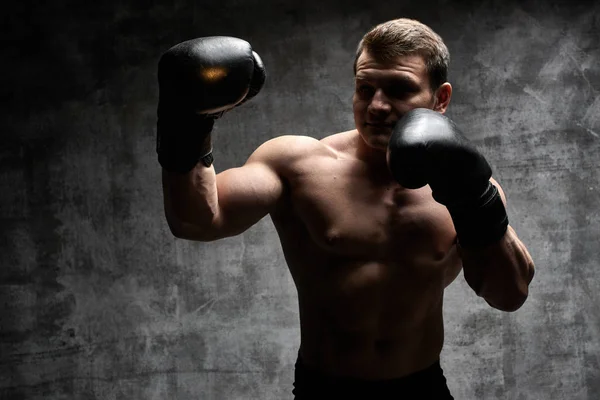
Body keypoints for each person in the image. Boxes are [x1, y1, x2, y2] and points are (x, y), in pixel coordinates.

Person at [156, 18, 535, 399]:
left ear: (441, 99)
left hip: (421, 389)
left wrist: (472, 195)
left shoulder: (467, 184)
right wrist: (186, 126)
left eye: (399, 89)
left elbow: (510, 294)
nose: (377, 106)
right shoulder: (297, 164)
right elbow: (196, 220)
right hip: (323, 389)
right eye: (365, 88)